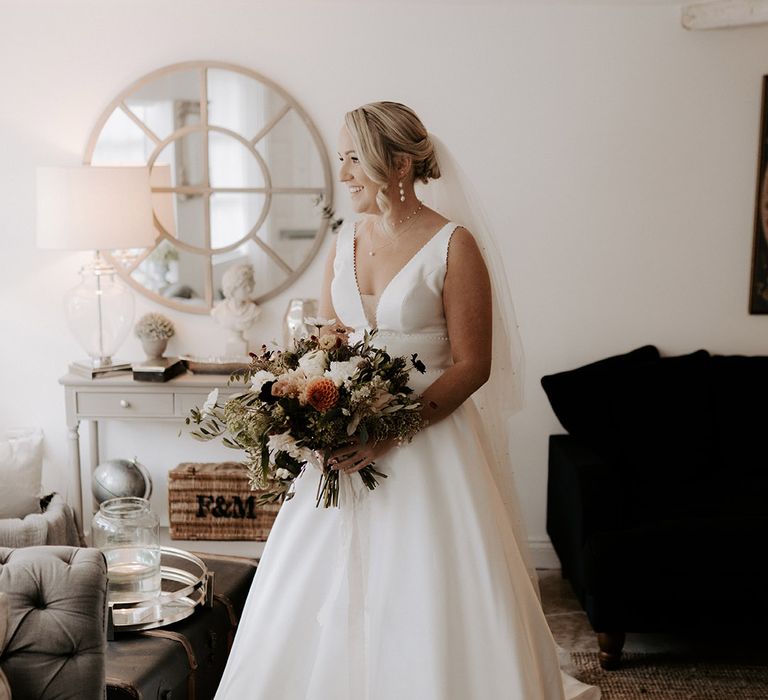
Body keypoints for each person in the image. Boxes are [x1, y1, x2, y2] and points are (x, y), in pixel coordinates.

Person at [214, 102, 600, 699]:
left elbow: (474, 364)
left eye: (351, 159)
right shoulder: (343, 240)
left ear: (396, 163)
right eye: (341, 158)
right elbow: (325, 337)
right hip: (342, 450)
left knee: (427, 590)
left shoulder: (453, 244)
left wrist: (388, 433)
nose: (342, 174)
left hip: (430, 446)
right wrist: (310, 410)